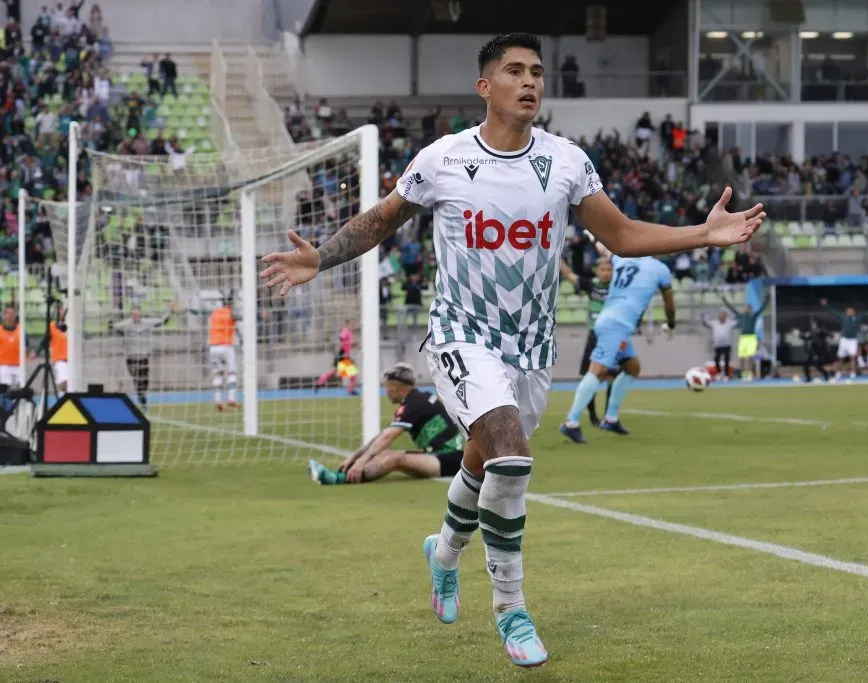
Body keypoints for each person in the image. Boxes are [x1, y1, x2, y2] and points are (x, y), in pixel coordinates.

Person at [259, 32, 764, 669]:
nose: (531, 82)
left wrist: (703, 232)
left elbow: (624, 234)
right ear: (485, 86)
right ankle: (511, 606)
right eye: (515, 71)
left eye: (537, 72)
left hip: (532, 349)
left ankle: (444, 552)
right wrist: (321, 257)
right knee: (510, 456)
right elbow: (381, 220)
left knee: (485, 461)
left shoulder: (568, 163)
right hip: (459, 337)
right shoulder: (442, 159)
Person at [560, 245, 674, 443]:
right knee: (597, 370)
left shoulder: (622, 259)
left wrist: (594, 238)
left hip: (612, 322)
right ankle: (571, 422)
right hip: (617, 325)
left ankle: (611, 418)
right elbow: (669, 303)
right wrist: (671, 323)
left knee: (633, 367)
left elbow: (604, 250)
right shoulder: (660, 269)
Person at [308, 363, 464, 484]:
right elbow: (383, 435)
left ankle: (336, 479)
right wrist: (354, 458)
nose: (386, 390)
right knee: (385, 454)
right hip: (438, 455)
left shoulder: (414, 403)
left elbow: (388, 437)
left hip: (449, 459)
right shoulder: (415, 400)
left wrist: (361, 461)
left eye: (387, 386)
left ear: (396, 387)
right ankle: (341, 473)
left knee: (394, 459)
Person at [559, 257, 613, 425]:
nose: (605, 273)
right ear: (596, 271)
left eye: (609, 269)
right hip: (594, 335)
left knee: (612, 376)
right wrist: (556, 257)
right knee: (590, 376)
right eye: (602, 269)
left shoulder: (617, 287)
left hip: (612, 335)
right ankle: (593, 416)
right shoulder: (591, 285)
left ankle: (610, 415)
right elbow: (569, 275)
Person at [111, 305, 175, 411]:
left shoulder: (147, 322)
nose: (135, 316)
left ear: (140, 314)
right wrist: (111, 324)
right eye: (133, 314)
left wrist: (169, 311)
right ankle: (143, 400)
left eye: (137, 314)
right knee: (137, 379)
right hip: (131, 358)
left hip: (144, 357)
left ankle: (142, 397)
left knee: (144, 381)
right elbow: (113, 326)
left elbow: (162, 321)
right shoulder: (126, 324)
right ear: (131, 315)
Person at [819, 299, 868, 382]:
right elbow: (833, 312)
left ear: (853, 312)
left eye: (851, 311)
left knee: (852, 357)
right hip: (844, 340)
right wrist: (825, 305)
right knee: (841, 358)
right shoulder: (844, 317)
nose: (849, 312)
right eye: (848, 311)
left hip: (853, 341)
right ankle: (838, 374)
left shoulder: (858, 318)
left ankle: (852, 374)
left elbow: (867, 314)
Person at [205, 297, 239, 411]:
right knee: (231, 373)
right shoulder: (231, 312)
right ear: (231, 304)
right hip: (226, 346)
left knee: (218, 374)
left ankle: (218, 399)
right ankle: (231, 398)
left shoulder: (214, 314)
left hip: (213, 347)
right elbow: (237, 318)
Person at [724, 296, 768, 381]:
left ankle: (749, 373)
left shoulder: (753, 316)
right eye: (746, 308)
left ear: (751, 310)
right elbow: (732, 309)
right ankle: (743, 373)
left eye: (749, 308)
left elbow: (761, 309)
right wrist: (725, 300)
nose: (747, 310)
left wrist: (766, 300)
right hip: (743, 338)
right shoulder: (741, 316)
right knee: (741, 356)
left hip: (751, 337)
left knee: (750, 356)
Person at [701, 308, 737, 380]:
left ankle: (726, 375)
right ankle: (719, 373)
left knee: (727, 360)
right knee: (716, 360)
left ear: (726, 316)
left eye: (723, 315)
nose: (721, 316)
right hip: (717, 345)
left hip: (727, 345)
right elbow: (706, 324)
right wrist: (702, 317)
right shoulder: (714, 323)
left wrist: (738, 315)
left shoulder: (730, 322)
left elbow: (738, 323)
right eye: (720, 315)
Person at [0, 305, 23, 388]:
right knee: (5, 388)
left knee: (22, 387)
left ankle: (18, 401)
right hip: (4, 365)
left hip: (19, 364)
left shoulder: (21, 330)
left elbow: (27, 345)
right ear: (4, 315)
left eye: (12, 313)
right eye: (8, 313)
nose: (10, 316)